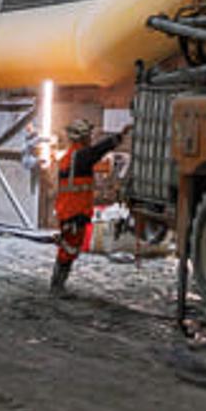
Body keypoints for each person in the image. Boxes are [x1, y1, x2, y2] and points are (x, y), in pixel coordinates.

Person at [51, 117, 124, 294]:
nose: (91, 138)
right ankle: (57, 286)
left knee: (69, 248)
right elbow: (99, 150)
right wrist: (119, 136)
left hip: (70, 210)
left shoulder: (70, 157)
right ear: (82, 138)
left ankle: (58, 284)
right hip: (74, 211)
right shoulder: (81, 156)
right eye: (89, 135)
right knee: (68, 249)